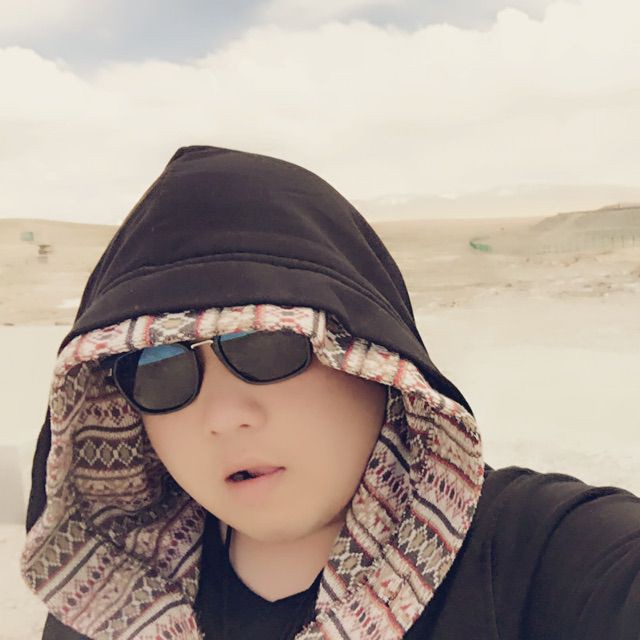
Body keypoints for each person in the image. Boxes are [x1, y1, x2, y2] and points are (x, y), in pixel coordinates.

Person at [22, 145, 639, 640]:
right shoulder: (114, 588)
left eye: (266, 346)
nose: (225, 415)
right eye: (159, 372)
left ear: (373, 361)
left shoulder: (547, 555)